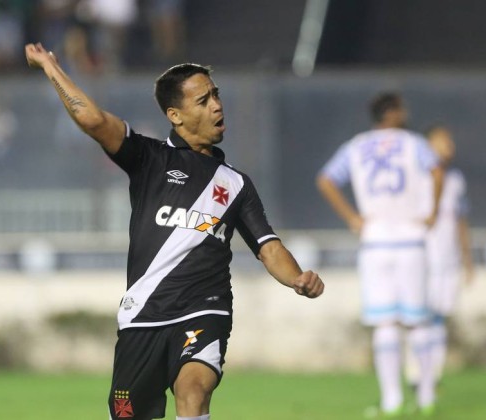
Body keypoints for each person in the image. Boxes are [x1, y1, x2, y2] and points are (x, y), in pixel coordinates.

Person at [25, 42, 325, 420]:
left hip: (204, 308)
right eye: (203, 100)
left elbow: (268, 247)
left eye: (216, 95)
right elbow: (93, 120)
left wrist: (297, 277)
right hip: (143, 315)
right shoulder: (149, 158)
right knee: (127, 412)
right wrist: (51, 67)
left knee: (193, 389)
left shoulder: (236, 184)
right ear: (176, 115)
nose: (217, 105)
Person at [316, 92, 443, 416]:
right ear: (394, 113)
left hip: (375, 242)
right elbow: (437, 171)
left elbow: (326, 179)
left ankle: (391, 399)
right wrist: (432, 212)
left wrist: (352, 218)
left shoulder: (356, 146)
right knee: (417, 322)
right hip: (410, 239)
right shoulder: (414, 143)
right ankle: (426, 397)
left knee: (384, 323)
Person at [422, 125, 473, 383]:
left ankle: (434, 375)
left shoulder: (456, 180)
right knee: (419, 318)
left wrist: (468, 260)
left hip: (448, 260)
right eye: (443, 141)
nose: (449, 147)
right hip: (421, 259)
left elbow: (461, 221)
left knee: (440, 318)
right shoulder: (417, 177)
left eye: (449, 142)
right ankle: (415, 373)